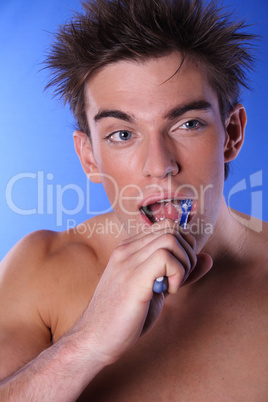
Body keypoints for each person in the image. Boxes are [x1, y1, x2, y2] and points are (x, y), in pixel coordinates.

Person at [0, 0, 267, 400]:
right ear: (89, 156)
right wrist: (85, 344)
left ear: (231, 134)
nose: (159, 165)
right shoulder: (40, 268)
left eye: (187, 124)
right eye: (122, 134)